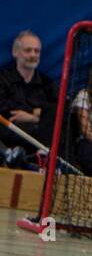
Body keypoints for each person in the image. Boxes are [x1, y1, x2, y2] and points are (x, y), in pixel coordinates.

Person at [0, 30, 58, 160]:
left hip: (38, 138)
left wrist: (31, 118)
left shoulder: (48, 84)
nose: (33, 55)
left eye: (37, 51)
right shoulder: (3, 79)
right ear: (15, 53)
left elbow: (56, 115)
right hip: (8, 134)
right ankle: (9, 155)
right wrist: (36, 113)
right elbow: (8, 113)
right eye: (28, 50)